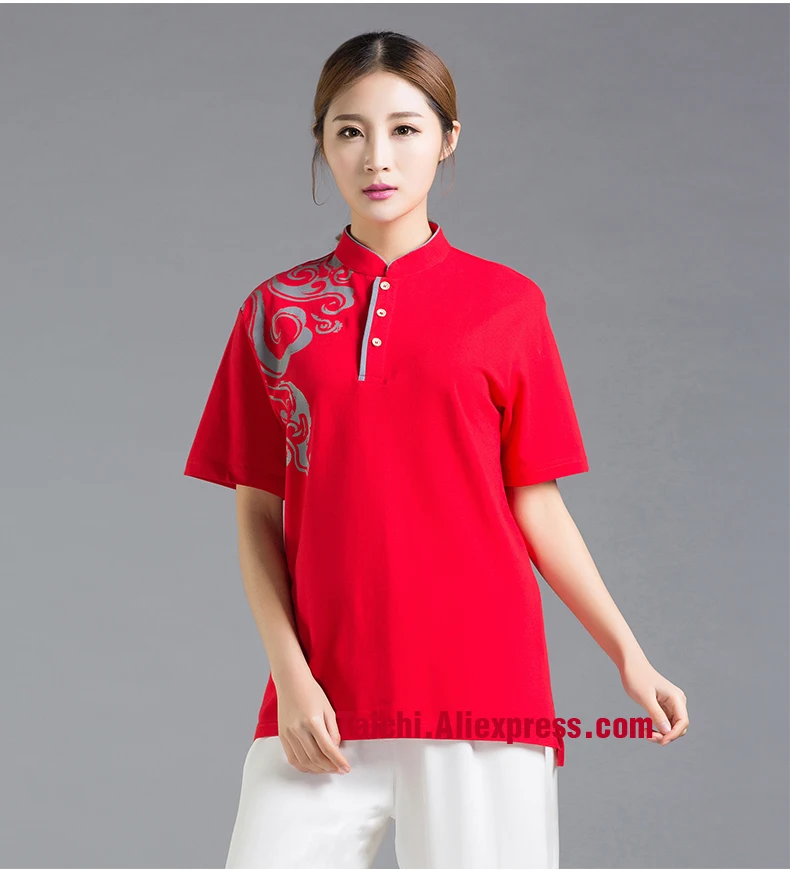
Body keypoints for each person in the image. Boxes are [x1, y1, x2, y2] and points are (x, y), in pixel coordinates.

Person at [183, 30, 689, 870]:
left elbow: (535, 503)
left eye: (405, 129)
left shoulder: (508, 305)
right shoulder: (276, 313)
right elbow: (257, 516)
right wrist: (291, 676)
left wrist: (629, 656)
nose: (377, 156)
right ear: (322, 143)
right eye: (350, 131)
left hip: (484, 698)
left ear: (449, 139)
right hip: (321, 702)